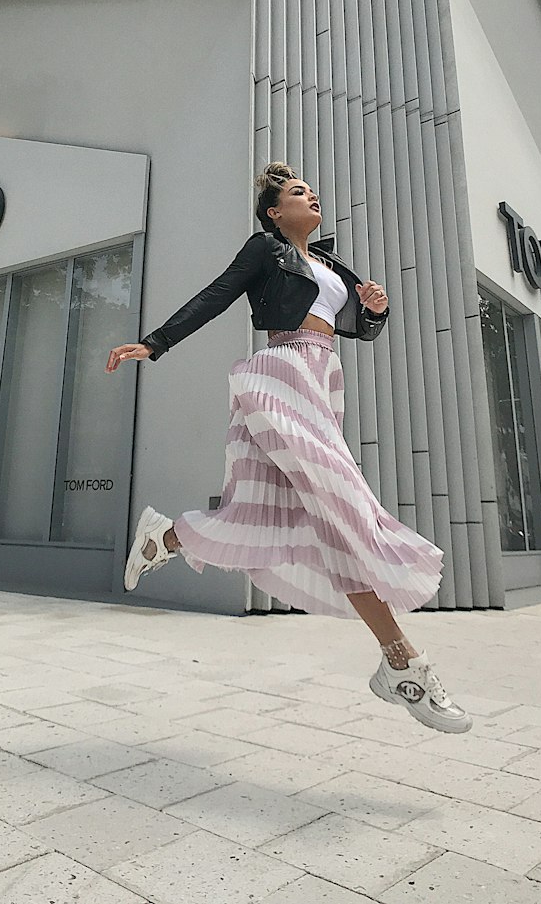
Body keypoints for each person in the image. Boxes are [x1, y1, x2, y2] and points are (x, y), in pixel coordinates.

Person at [105, 162, 471, 734]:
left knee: (266, 516)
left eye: (311, 190)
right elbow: (220, 292)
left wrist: (374, 309)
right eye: (298, 192)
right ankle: (406, 665)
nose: (311, 196)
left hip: (320, 379)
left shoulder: (328, 266)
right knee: (342, 505)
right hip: (281, 372)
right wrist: (155, 344)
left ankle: (166, 537)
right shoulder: (266, 249)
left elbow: (356, 327)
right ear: (276, 212)